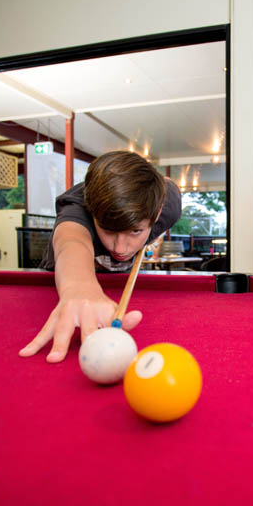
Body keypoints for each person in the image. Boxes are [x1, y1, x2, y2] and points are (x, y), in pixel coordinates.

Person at [20, 151, 182, 363]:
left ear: (158, 211)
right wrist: (79, 287)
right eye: (108, 230)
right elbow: (72, 242)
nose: (121, 248)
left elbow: (168, 184)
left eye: (135, 231)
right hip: (62, 275)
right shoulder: (78, 207)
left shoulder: (167, 206)